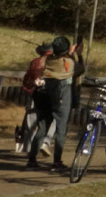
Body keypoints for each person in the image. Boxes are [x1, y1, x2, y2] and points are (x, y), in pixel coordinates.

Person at [29, 36, 76, 171]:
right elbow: (78, 69)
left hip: (44, 96)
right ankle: (56, 161)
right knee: (61, 130)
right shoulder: (69, 63)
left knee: (42, 127)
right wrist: (77, 55)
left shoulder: (48, 60)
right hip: (60, 98)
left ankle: (32, 159)